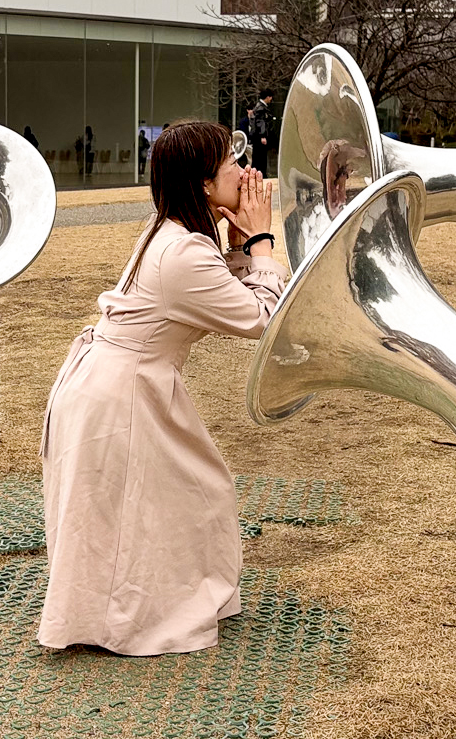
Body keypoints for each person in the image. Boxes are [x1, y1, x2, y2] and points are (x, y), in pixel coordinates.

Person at [39, 120, 286, 656]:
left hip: (116, 383)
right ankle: (124, 620)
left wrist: (242, 246)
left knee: (154, 500)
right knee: (152, 502)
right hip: (122, 393)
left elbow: (218, 292)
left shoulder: (174, 234)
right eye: (231, 165)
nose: (245, 174)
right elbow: (263, 319)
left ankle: (123, 612)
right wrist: (263, 242)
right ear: (204, 184)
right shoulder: (182, 252)